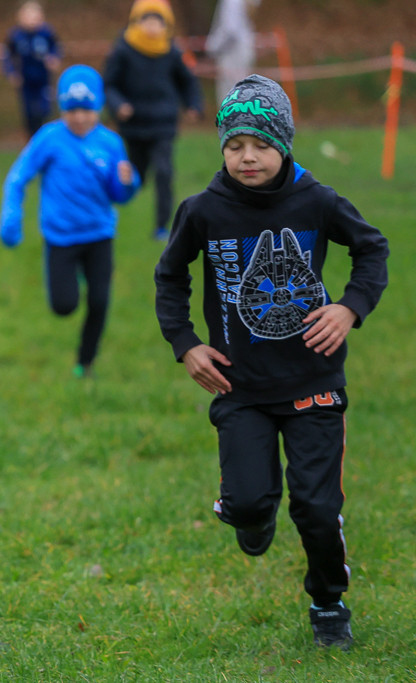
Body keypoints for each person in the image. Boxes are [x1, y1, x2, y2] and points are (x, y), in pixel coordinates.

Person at [154, 75, 389, 651]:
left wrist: (349, 309)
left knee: (315, 508)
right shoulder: (203, 210)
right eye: (234, 145)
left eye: (260, 144)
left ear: (284, 143)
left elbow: (372, 249)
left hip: (314, 382)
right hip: (240, 386)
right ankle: (248, 513)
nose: (247, 156)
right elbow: (169, 276)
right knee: (251, 502)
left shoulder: (318, 200)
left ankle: (328, 603)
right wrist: (186, 343)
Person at [0, 65, 140, 378]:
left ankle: (85, 362)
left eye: (86, 110)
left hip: (100, 233)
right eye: (71, 110)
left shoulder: (110, 143)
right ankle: (72, 278)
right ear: (61, 108)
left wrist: (128, 183)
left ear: (99, 108)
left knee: (100, 301)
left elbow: (120, 194)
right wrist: (11, 215)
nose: (79, 117)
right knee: (64, 306)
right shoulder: (49, 137)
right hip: (60, 237)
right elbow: (18, 176)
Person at [103, 0, 203, 242]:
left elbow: (188, 82)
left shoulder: (172, 51)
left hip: (163, 124)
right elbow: (109, 84)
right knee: (134, 176)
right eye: (146, 21)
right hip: (134, 126)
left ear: (166, 25)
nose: (152, 27)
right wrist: (119, 105)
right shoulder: (123, 50)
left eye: (158, 22)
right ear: (136, 22)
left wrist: (193, 104)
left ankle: (161, 226)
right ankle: (109, 212)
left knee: (164, 172)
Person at [3, 1, 61, 139]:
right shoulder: (16, 36)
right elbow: (7, 56)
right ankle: (32, 140)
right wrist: (11, 73)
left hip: (43, 80)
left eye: (35, 16)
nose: (31, 20)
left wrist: (54, 59)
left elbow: (56, 49)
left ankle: (46, 138)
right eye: (28, 16)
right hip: (26, 81)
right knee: (29, 114)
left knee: (45, 111)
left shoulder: (47, 33)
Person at [206, 0, 262, 105]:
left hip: (231, 52)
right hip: (244, 47)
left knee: (231, 98)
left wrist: (213, 47)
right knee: (244, 96)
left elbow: (230, 31)